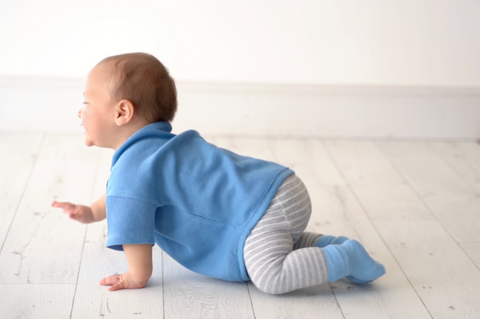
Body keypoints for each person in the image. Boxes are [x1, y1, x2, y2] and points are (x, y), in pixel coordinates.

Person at [51, 53, 385, 294]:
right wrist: (92, 212)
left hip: (263, 208)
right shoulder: (153, 152)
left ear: (122, 112)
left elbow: (133, 225)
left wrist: (136, 276)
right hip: (278, 192)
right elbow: (125, 197)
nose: (78, 112)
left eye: (86, 103)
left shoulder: (133, 169)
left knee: (269, 275)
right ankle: (327, 244)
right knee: (275, 244)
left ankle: (345, 257)